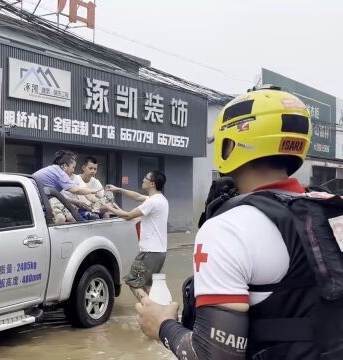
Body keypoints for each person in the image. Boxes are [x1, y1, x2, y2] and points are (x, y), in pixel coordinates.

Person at [135, 87, 337, 359]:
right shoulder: (331, 209)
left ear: (229, 145)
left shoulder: (228, 228)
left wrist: (162, 326)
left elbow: (213, 355)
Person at [104, 170, 169, 299]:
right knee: (147, 285)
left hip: (149, 252)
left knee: (133, 283)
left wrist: (108, 208)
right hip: (159, 252)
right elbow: (137, 196)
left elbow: (128, 216)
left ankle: (149, 309)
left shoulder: (152, 202)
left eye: (146, 178)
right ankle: (159, 310)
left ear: (152, 183)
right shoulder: (160, 199)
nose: (143, 179)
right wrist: (118, 189)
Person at [32, 150, 103, 201]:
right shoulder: (60, 173)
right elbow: (76, 190)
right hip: (31, 197)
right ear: (65, 166)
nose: (73, 171)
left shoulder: (56, 169)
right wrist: (93, 190)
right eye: (73, 167)